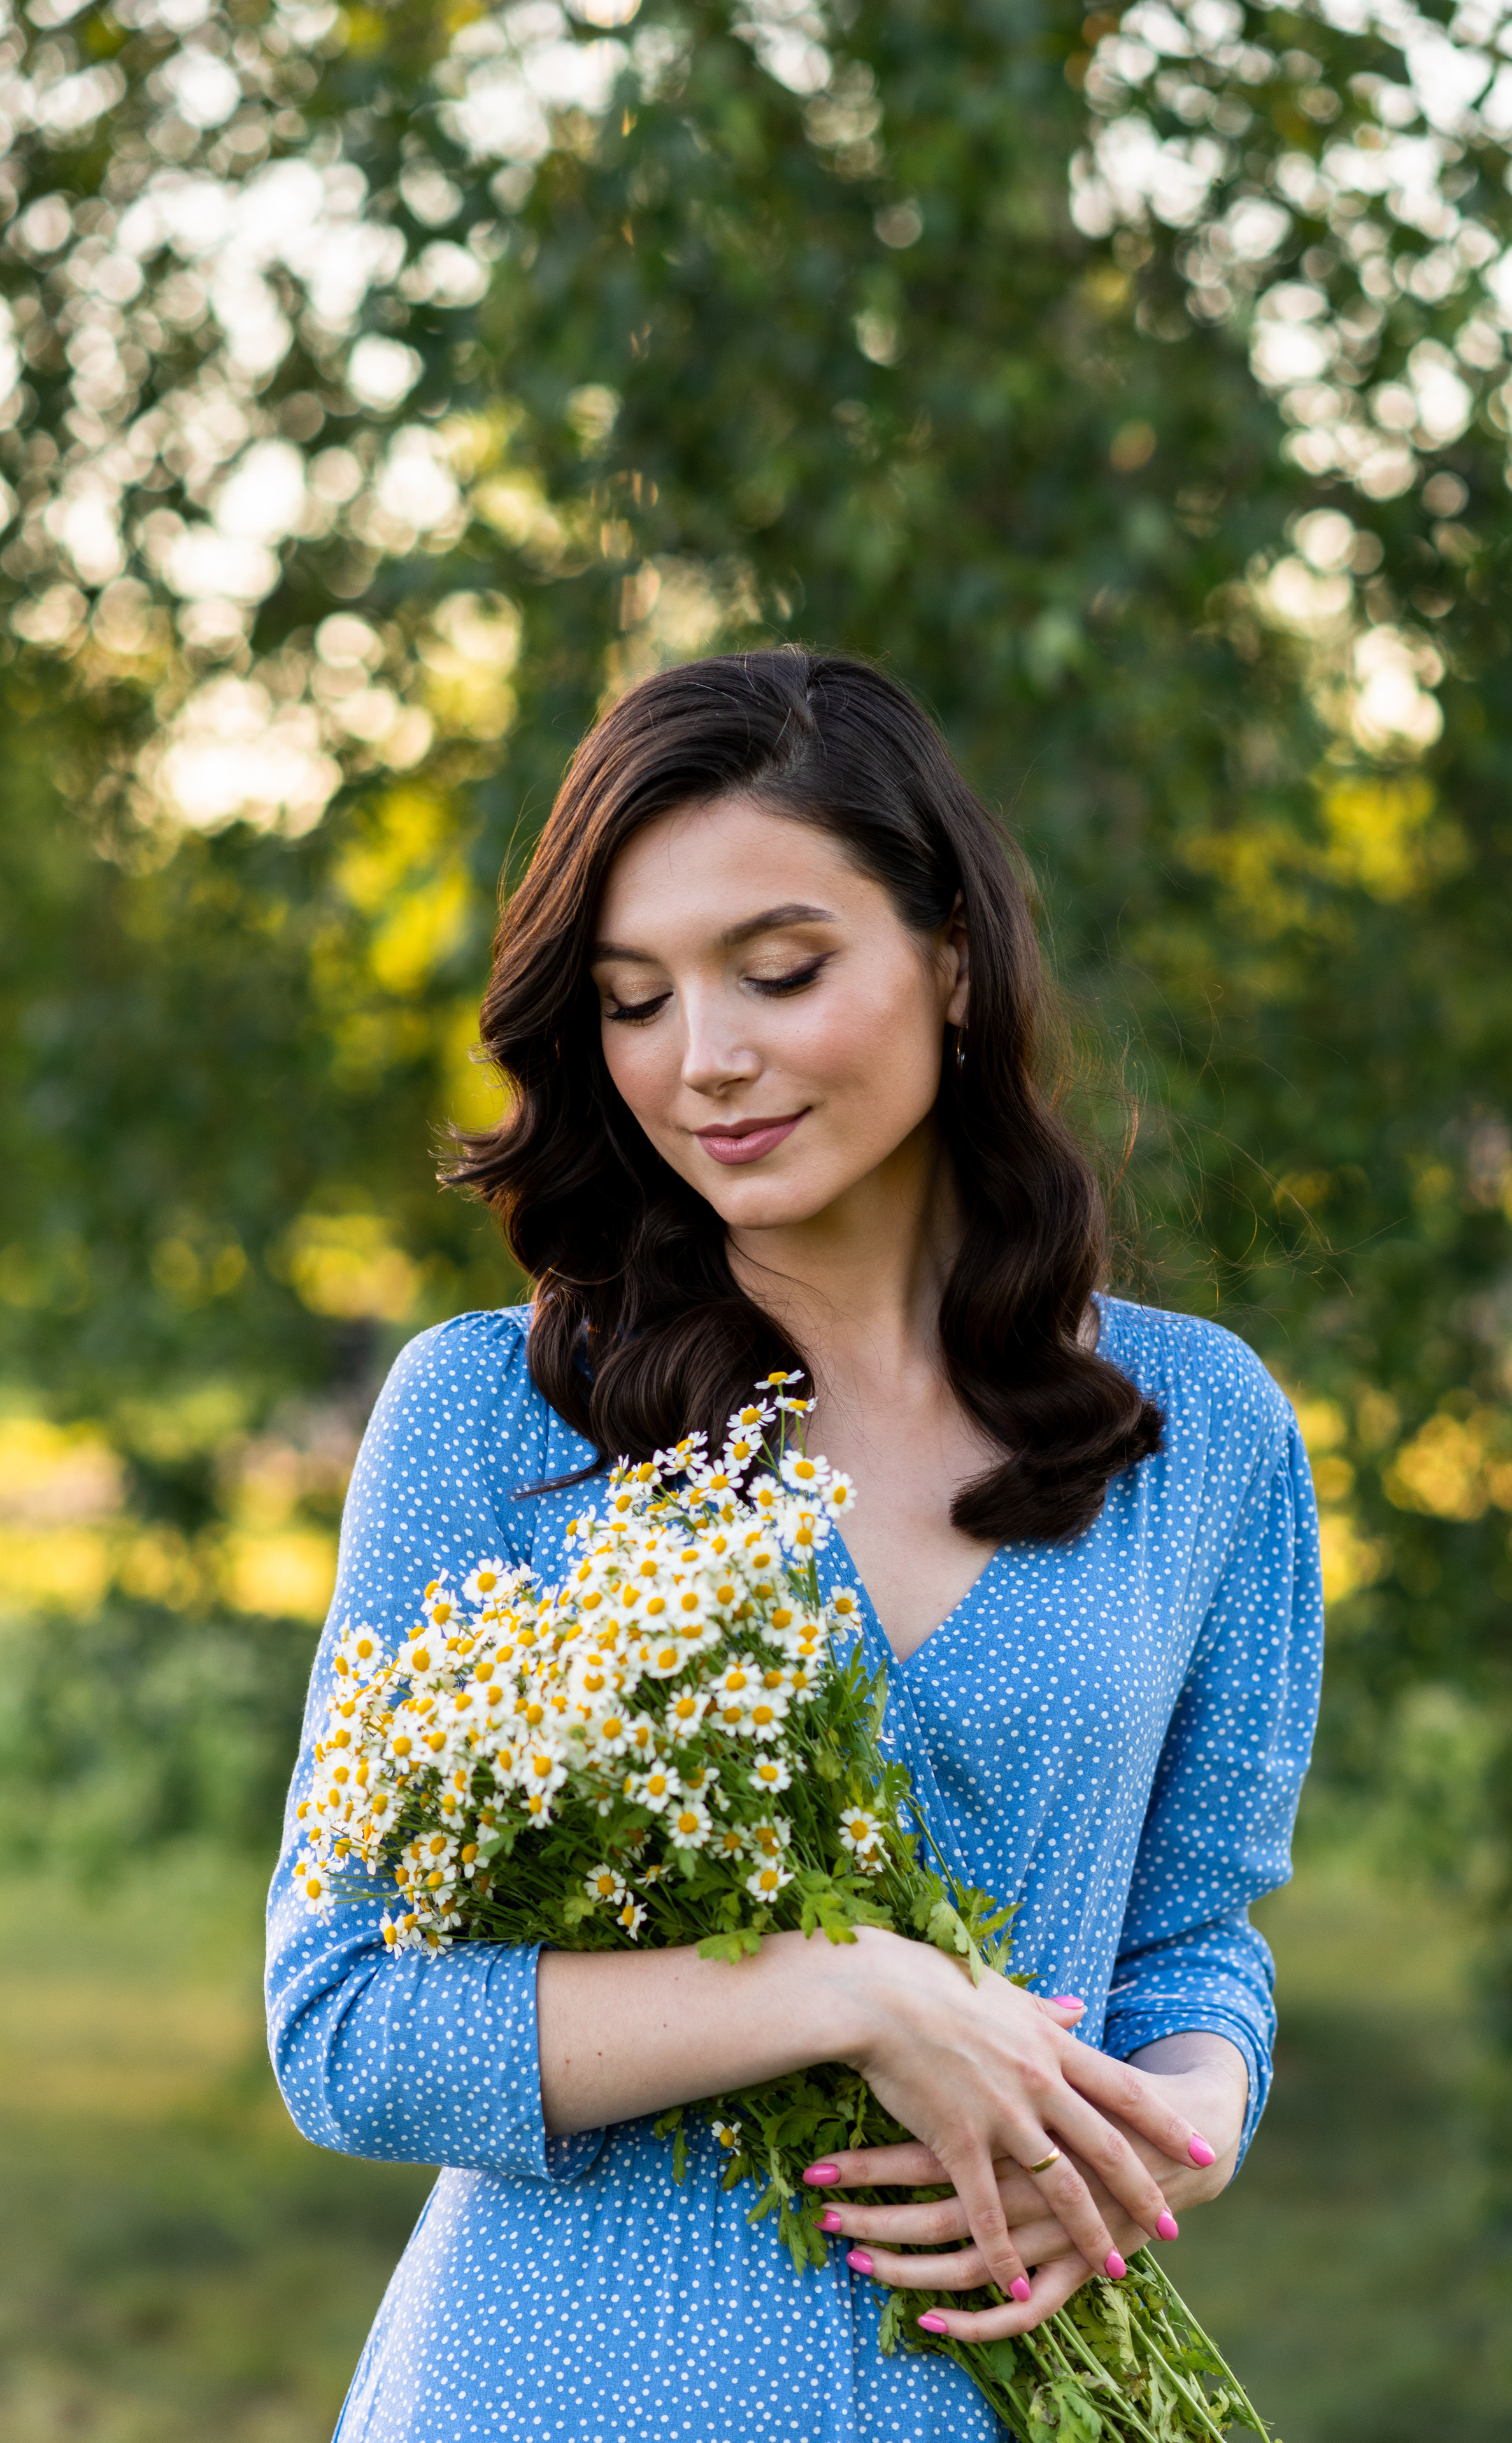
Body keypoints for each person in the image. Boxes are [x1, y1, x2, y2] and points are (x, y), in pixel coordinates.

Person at [266, 647, 1323, 2442]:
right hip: (556, 2389)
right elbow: (348, 2023)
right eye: (633, 998)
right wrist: (847, 1987)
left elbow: (1196, 1932)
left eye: (780, 969)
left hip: (999, 2395)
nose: (708, 1059)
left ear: (954, 963)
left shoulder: (1203, 1430)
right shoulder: (493, 1417)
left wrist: (1178, 2133)